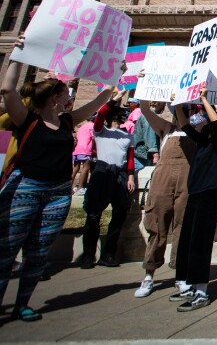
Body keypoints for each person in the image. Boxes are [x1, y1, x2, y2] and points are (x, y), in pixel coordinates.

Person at [0, 35, 120, 322]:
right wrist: (18, 55)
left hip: (57, 192)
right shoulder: (27, 119)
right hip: (26, 187)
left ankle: (22, 304)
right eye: (67, 92)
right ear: (54, 97)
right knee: (7, 248)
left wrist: (115, 77)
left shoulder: (67, 121)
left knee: (39, 251)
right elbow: (7, 90)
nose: (71, 95)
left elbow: (97, 104)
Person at [168, 87, 217, 312]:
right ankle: (187, 283)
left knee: (200, 241)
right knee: (187, 239)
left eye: (206, 120)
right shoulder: (203, 140)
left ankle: (201, 290)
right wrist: (178, 104)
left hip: (211, 192)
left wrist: (205, 99)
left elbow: (215, 124)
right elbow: (185, 126)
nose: (202, 121)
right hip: (196, 192)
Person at [133, 95, 196, 299]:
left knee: (182, 226)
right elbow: (145, 111)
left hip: (186, 183)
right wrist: (143, 91)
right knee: (157, 226)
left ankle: (180, 274)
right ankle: (149, 274)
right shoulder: (166, 129)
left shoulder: (195, 131)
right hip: (163, 180)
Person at [81, 89, 136, 269]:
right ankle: (88, 255)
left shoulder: (128, 136)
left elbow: (129, 157)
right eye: (121, 114)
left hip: (119, 173)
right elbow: (101, 114)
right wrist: (115, 100)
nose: (123, 117)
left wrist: (130, 176)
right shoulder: (101, 131)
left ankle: (109, 253)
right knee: (93, 214)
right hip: (103, 171)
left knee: (120, 213)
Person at [71, 115, 95, 196]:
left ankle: (69, 187)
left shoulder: (82, 126)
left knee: (75, 168)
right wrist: (95, 149)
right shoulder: (92, 126)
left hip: (77, 149)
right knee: (86, 167)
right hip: (86, 149)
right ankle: (80, 188)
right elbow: (93, 138)